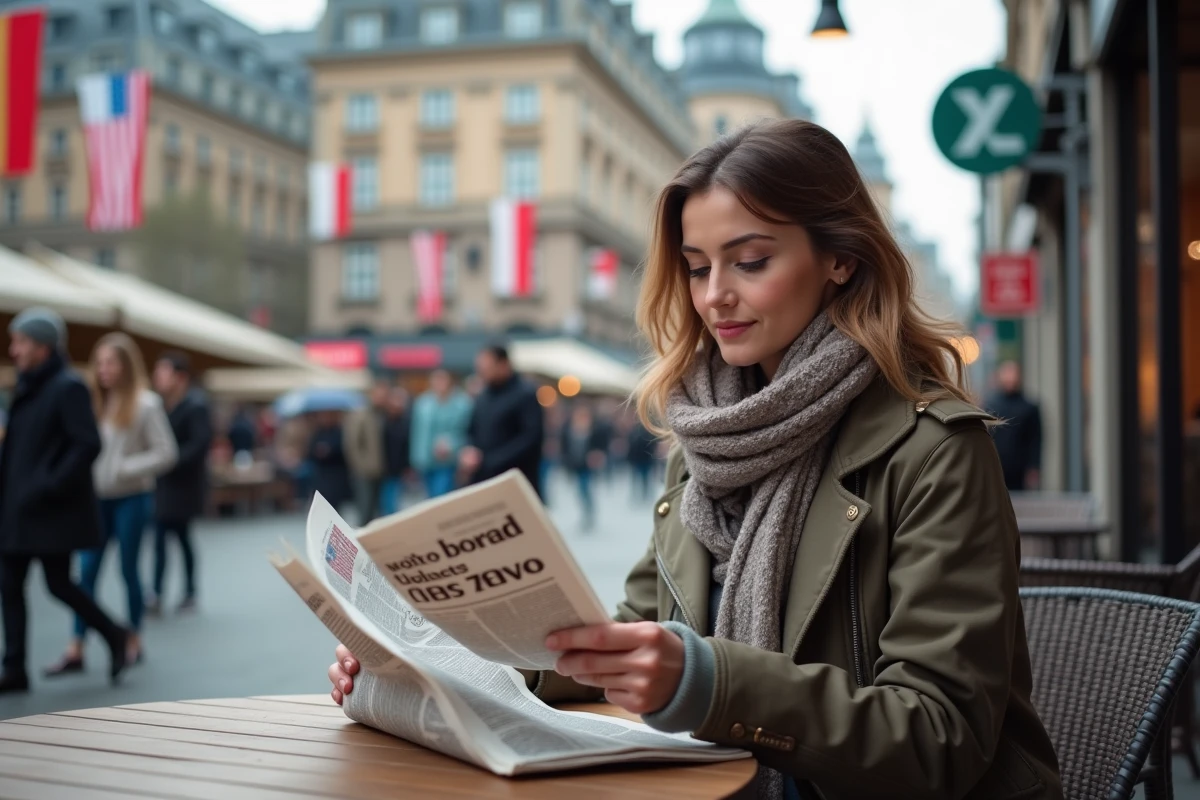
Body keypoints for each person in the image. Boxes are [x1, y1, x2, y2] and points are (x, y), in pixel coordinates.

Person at [328, 120, 1062, 799]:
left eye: (749, 261)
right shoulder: (706, 439)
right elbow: (630, 635)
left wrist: (709, 682)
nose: (715, 296)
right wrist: (437, 664)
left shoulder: (934, 448)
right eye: (696, 266)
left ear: (840, 258)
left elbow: (941, 736)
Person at [0, 309, 131, 693]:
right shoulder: (26, 386)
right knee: (9, 584)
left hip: (46, 510)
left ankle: (113, 632)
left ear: (42, 346)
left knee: (58, 584)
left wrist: (47, 484)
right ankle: (15, 668)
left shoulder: (66, 386)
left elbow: (87, 443)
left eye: (20, 342)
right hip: (17, 509)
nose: (14, 349)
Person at [48, 333, 177, 674]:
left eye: (111, 362)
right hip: (94, 500)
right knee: (86, 572)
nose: (103, 370)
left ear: (126, 366)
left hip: (132, 498)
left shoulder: (146, 403)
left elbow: (167, 452)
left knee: (128, 570)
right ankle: (76, 646)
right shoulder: (90, 400)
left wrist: (126, 468)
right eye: (99, 362)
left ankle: (133, 638)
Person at [148, 351, 213, 614]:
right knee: (165, 537)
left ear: (180, 377)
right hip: (165, 484)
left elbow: (199, 445)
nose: (158, 377)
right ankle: (161, 593)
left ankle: (183, 591)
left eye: (163, 372)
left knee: (178, 537)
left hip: (184, 485)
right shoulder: (161, 406)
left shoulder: (194, 405)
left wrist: (168, 460)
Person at [459, 345, 545, 497]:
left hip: (516, 481)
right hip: (483, 479)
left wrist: (491, 460)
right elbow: (472, 430)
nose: (482, 372)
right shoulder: (483, 396)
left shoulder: (525, 394)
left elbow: (531, 438)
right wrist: (469, 449)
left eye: (486, 367)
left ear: (503, 364)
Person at [409, 369, 472, 499]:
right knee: (430, 496)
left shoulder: (462, 403)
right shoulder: (423, 403)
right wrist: (415, 458)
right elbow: (417, 433)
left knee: (441, 495)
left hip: (447, 459)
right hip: (425, 460)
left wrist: (452, 444)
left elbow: (465, 431)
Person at [986, 360, 1043, 492]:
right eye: (1006, 373)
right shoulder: (990, 406)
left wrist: (1034, 467)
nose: (1010, 377)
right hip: (996, 465)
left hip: (1020, 467)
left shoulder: (1029, 407)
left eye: (1013, 373)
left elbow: (1035, 440)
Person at [559, 404, 609, 532]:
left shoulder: (594, 428)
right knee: (580, 491)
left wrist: (598, 455)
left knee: (584, 488)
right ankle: (587, 512)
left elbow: (600, 444)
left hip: (588, 465)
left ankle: (589, 513)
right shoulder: (569, 429)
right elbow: (565, 447)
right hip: (575, 464)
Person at [343, 382, 387, 524]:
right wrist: (360, 465)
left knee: (374, 509)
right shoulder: (361, 414)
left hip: (378, 469)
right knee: (365, 509)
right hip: (364, 470)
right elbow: (353, 443)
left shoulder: (379, 414)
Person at [308, 411, 351, 512]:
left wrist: (330, 451)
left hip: (336, 473)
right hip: (322, 474)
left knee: (336, 505)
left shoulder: (339, 432)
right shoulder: (317, 433)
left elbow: (345, 450)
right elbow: (309, 451)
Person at [379, 386, 412, 515]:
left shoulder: (405, 421)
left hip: (398, 466)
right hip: (384, 466)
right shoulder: (383, 421)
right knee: (387, 498)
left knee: (394, 497)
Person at [626, 416, 658, 502]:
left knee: (643, 478)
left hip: (643, 459)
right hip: (640, 459)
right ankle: (642, 495)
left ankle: (645, 495)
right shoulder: (635, 432)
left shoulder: (640, 433)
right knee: (641, 478)